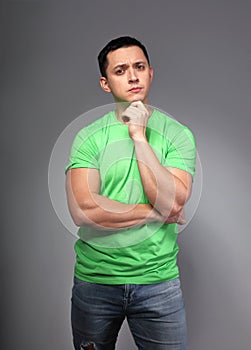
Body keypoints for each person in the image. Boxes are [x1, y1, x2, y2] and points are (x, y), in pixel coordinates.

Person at [65, 36, 196, 350]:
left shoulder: (177, 134)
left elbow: (171, 201)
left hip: (158, 282)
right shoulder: (88, 137)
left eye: (139, 67)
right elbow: (84, 210)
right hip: (95, 281)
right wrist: (155, 213)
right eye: (120, 70)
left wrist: (139, 136)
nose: (133, 76)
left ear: (151, 72)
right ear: (105, 83)